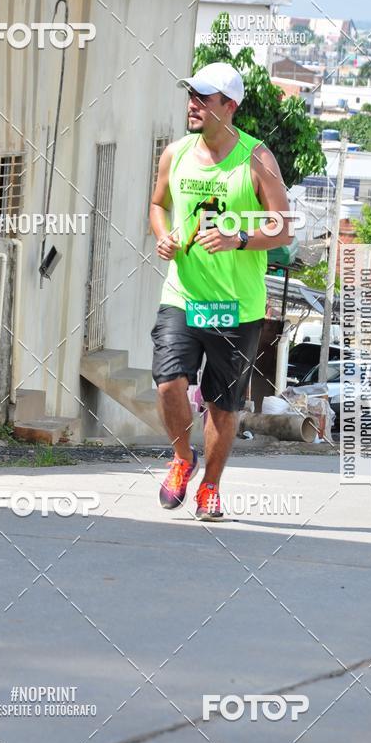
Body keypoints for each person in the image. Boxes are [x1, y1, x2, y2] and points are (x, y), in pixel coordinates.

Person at [149, 62, 291, 521]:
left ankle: (210, 486)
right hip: (183, 295)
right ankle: (181, 459)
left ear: (229, 106)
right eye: (190, 95)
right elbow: (158, 204)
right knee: (168, 382)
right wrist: (164, 236)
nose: (192, 104)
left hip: (236, 306)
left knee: (222, 405)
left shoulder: (257, 159)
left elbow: (283, 227)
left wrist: (240, 238)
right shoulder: (175, 154)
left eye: (203, 98)